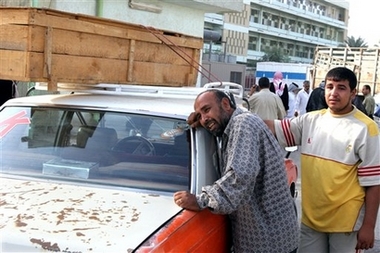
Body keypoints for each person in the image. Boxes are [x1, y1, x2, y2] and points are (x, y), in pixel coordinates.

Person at [265, 67, 380, 253]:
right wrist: (233, 116)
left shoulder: (367, 128)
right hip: (311, 220)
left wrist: (368, 226)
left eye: (341, 88)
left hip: (346, 225)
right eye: (330, 87)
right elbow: (271, 127)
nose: (334, 93)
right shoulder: (310, 120)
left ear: (353, 93)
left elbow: (374, 183)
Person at [174, 89, 299, 253]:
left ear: (225, 104)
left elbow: (240, 177)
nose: (204, 118)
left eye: (206, 110)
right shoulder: (230, 128)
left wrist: (201, 200)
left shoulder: (243, 124)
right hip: (264, 240)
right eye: (199, 114)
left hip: (269, 243)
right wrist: (204, 123)